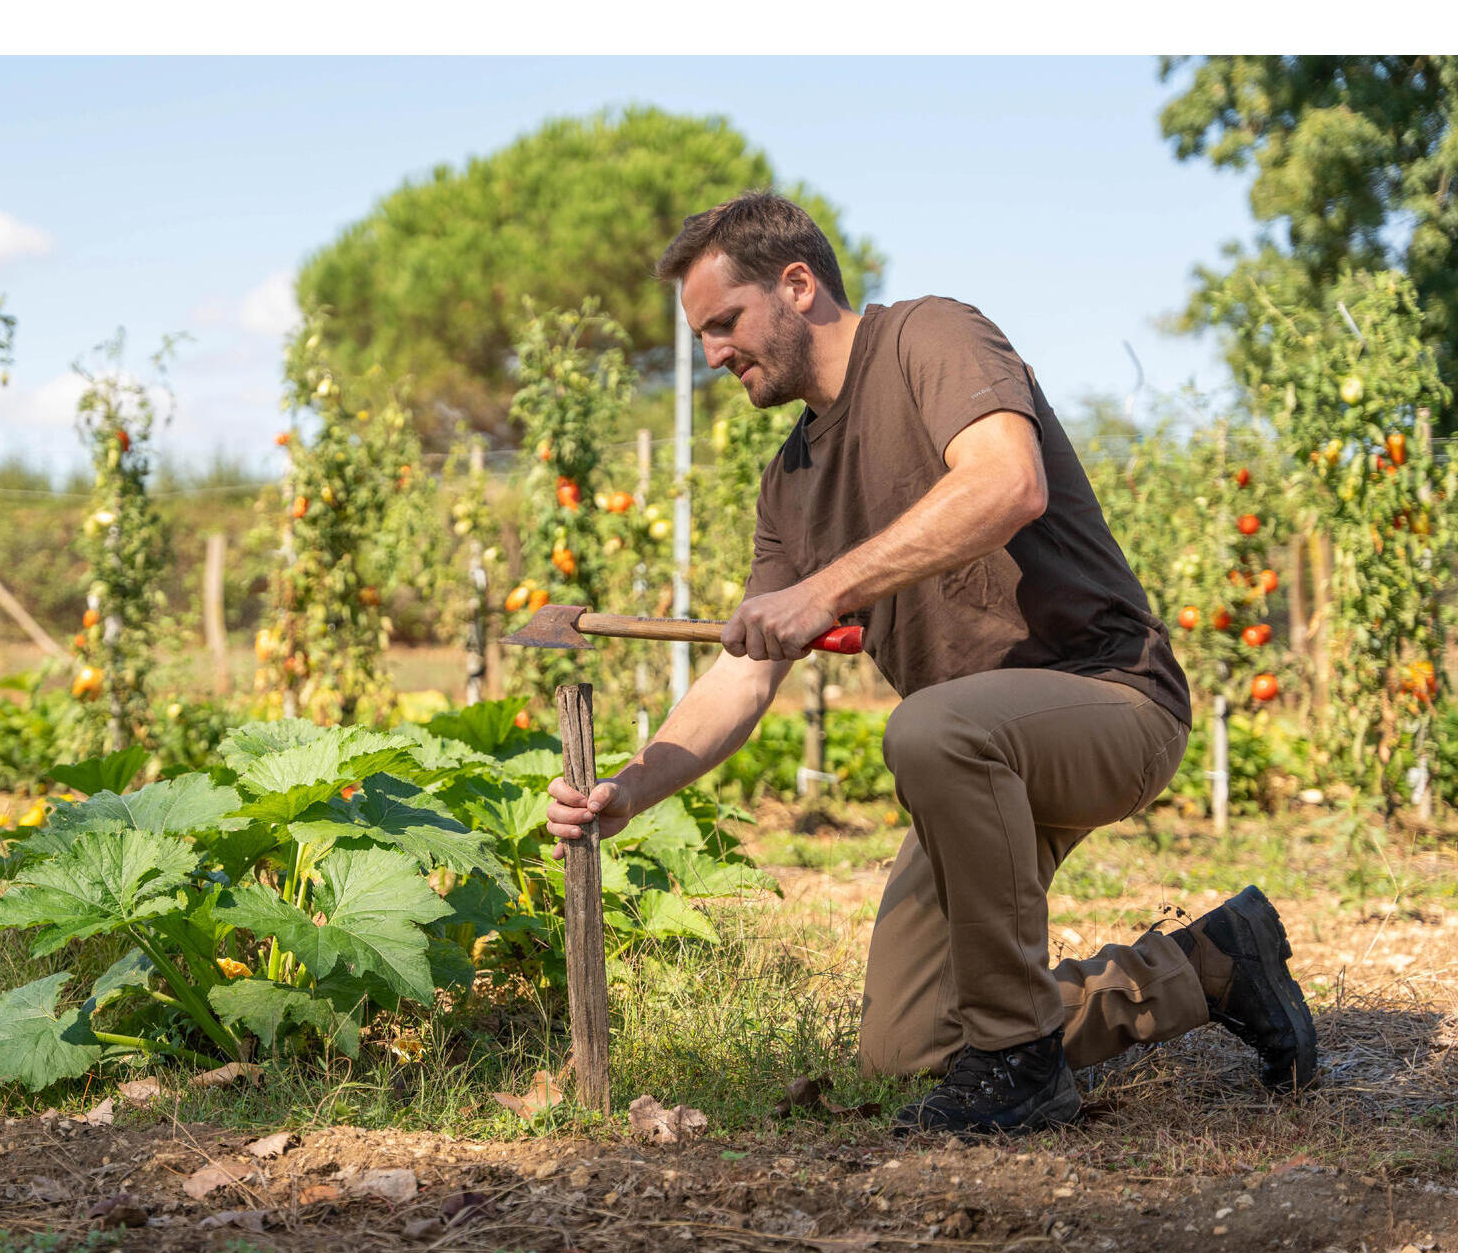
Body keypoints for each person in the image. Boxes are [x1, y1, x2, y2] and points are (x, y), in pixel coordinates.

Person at [544, 192, 1316, 1135]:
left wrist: (826, 591)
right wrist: (629, 788)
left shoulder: (929, 337)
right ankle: (1208, 966)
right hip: (973, 759)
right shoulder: (788, 485)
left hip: (1110, 702)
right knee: (906, 1048)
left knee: (930, 728)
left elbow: (1006, 482)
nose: (711, 356)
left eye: (724, 324)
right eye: (700, 335)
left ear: (797, 286)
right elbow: (742, 676)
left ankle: (1020, 1066)